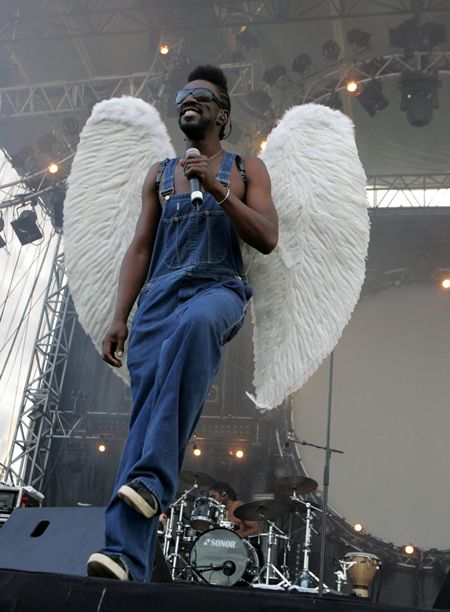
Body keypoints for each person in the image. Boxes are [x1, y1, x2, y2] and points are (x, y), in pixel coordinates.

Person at [87, 64, 278, 582]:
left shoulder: (246, 168)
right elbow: (141, 247)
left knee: (197, 326)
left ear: (223, 113)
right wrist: (119, 317)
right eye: (182, 95)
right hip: (158, 298)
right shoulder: (159, 173)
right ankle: (126, 558)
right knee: (147, 417)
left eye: (201, 95)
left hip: (218, 288)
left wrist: (217, 189)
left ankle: (152, 480)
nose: (187, 101)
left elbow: (266, 236)